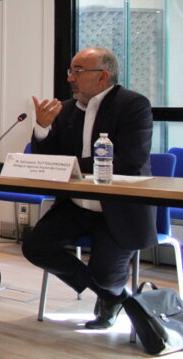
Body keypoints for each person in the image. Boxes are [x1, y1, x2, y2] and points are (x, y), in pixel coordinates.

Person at [23, 47, 155, 329]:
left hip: (118, 208)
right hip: (77, 205)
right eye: (70, 71)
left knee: (105, 272)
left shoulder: (133, 105)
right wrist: (42, 129)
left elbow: (130, 160)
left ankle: (109, 289)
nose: (70, 78)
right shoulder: (67, 110)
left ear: (103, 76)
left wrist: (71, 165)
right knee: (35, 247)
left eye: (78, 71)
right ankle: (112, 296)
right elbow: (48, 161)